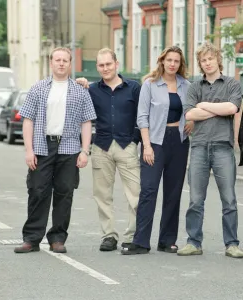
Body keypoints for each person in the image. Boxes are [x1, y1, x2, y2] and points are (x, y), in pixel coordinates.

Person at [14, 47, 96, 254]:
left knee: (64, 193)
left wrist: (84, 151)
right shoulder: (38, 88)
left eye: (65, 60)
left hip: (69, 147)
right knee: (37, 191)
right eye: (57, 60)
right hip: (42, 146)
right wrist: (28, 150)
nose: (61, 63)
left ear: (70, 64)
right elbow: (28, 120)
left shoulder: (80, 90)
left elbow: (86, 122)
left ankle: (58, 238)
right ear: (51, 63)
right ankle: (31, 239)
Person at [121, 46, 194, 255]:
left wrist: (192, 124)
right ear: (162, 61)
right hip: (155, 142)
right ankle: (141, 241)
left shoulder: (186, 86)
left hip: (178, 142)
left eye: (176, 61)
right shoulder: (150, 85)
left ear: (180, 64)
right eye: (169, 60)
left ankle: (167, 240)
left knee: (173, 192)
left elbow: (192, 110)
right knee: (149, 190)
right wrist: (147, 146)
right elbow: (142, 116)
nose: (172, 64)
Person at [177, 42, 243, 258]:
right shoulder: (195, 87)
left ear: (218, 59)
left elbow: (232, 108)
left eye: (210, 58)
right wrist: (218, 109)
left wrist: (203, 106)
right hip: (199, 147)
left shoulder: (232, 84)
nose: (207, 63)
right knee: (196, 199)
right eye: (203, 60)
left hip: (223, 147)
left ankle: (231, 244)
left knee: (229, 199)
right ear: (201, 64)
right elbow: (189, 115)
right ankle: (194, 242)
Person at [77, 48, 141, 251]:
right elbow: (81, 115)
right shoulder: (92, 89)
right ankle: (109, 235)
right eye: (101, 65)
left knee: (136, 194)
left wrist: (135, 140)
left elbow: (143, 116)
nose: (105, 68)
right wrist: (79, 84)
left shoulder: (133, 88)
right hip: (101, 146)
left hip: (127, 146)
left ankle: (132, 235)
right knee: (102, 194)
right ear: (97, 67)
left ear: (116, 64)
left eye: (108, 64)